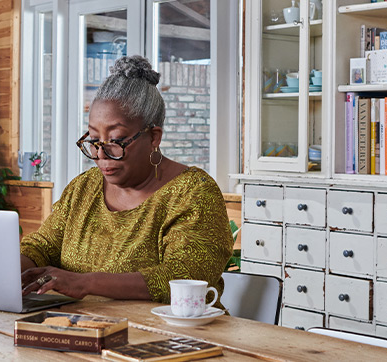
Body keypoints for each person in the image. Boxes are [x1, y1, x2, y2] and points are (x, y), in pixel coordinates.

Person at [20, 55, 233, 305]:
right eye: (94, 140)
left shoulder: (194, 193)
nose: (100, 154)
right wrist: (11, 269)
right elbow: (43, 246)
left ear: (154, 137)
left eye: (116, 141)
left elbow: (184, 277)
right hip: (88, 327)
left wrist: (86, 283)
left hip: (174, 336)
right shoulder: (83, 188)